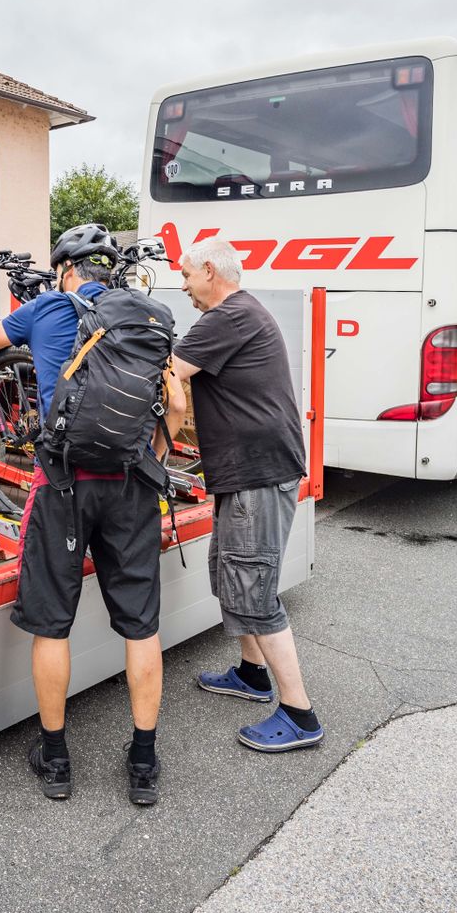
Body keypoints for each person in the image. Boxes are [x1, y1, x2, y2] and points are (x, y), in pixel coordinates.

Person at [0, 223, 182, 805]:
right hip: (131, 484)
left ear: (65, 269)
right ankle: (143, 761)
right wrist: (152, 459)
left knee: (51, 622)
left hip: (62, 483)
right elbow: (175, 404)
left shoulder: (50, 306)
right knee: (141, 625)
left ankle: (55, 759)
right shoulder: (146, 317)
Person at [170, 237, 323, 751]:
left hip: (257, 473)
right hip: (249, 472)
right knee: (232, 575)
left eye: (187, 276)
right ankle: (252, 675)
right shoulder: (242, 312)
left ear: (209, 270)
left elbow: (170, 372)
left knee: (253, 590)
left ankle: (300, 715)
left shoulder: (228, 317)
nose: (184, 286)